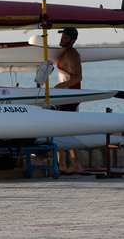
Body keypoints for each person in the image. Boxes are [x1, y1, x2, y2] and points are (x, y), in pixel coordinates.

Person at [54, 26, 84, 174]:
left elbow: (78, 77)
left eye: (65, 37)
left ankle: (75, 164)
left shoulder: (71, 54)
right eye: (62, 36)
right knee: (61, 131)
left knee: (66, 131)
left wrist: (59, 87)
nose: (62, 39)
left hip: (69, 97)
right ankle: (62, 165)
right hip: (65, 97)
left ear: (72, 40)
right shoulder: (67, 52)